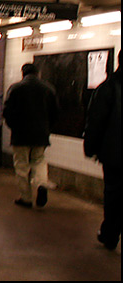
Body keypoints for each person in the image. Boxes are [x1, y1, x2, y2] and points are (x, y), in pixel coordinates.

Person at [2, 62, 59, 209]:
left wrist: (13, 126)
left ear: (23, 73)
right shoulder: (48, 89)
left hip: (20, 135)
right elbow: (55, 113)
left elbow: (7, 112)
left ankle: (26, 198)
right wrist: (47, 128)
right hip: (41, 135)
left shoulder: (15, 88)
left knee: (22, 165)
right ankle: (41, 184)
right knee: (39, 161)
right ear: (37, 73)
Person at [84, 51, 121, 250]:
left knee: (114, 194)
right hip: (114, 153)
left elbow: (96, 121)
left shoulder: (108, 88)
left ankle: (110, 234)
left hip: (115, 154)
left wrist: (90, 148)